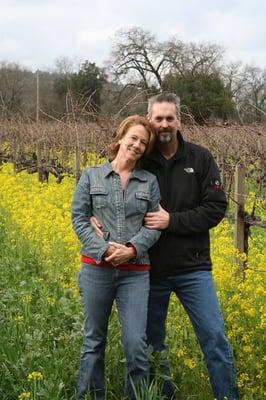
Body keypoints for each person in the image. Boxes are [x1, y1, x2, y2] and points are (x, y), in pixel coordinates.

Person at [92, 93, 239, 400]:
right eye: (157, 118)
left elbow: (215, 208)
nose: (163, 124)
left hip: (193, 267)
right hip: (150, 270)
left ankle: (228, 396)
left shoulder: (200, 158)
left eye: (169, 118)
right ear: (150, 120)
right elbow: (106, 182)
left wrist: (171, 220)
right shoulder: (141, 159)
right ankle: (164, 394)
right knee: (152, 344)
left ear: (179, 121)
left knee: (214, 337)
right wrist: (92, 213)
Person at [71, 115, 161, 400]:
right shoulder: (91, 176)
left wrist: (132, 249)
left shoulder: (149, 181)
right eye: (133, 138)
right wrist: (106, 249)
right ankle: (89, 396)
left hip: (135, 273)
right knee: (94, 340)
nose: (136, 145)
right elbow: (79, 219)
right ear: (121, 137)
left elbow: (154, 224)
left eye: (143, 143)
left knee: (136, 343)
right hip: (96, 268)